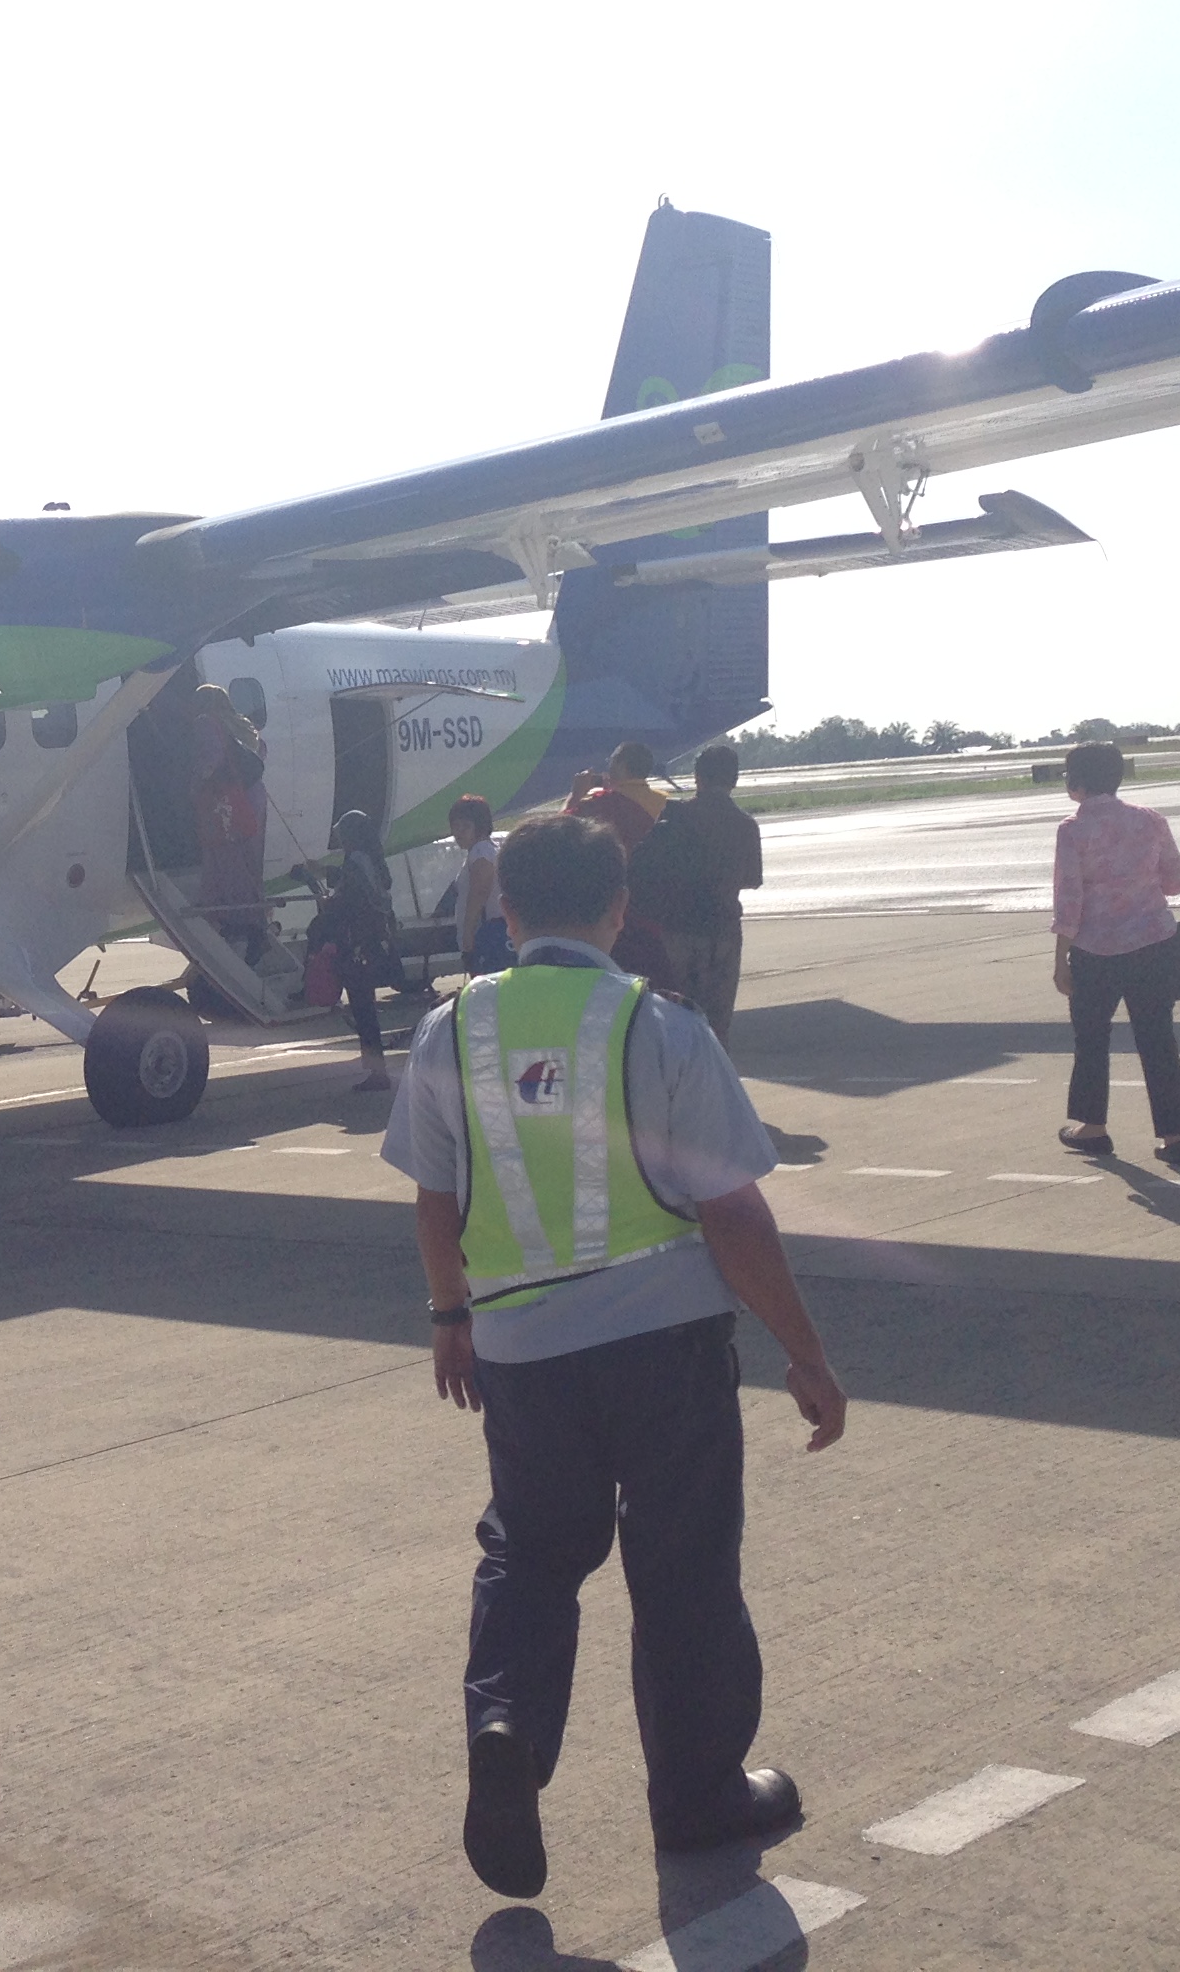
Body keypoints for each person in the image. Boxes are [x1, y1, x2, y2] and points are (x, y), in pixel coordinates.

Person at [383, 812, 848, 1896]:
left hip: (521, 1353)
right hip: (663, 1346)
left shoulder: (451, 1032)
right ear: (619, 908)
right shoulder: (660, 1025)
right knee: (684, 1568)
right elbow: (734, 1213)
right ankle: (696, 1799)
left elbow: (436, 1199)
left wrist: (450, 1316)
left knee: (532, 1554)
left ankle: (506, 1725)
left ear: (506, 911)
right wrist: (806, 1355)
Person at [1051, 738, 1180, 1169]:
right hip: (1153, 943)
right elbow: (1176, 881)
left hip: (1095, 949)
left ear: (1077, 781)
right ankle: (1173, 1137)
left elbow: (1069, 900)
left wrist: (1060, 960)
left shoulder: (1072, 830)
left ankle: (1093, 1127)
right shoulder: (1149, 819)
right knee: (1158, 1039)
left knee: (1091, 1039)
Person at [649, 745, 764, 1047]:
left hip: (679, 928)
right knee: (718, 1019)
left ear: (698, 777)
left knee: (673, 1014)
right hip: (723, 929)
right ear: (734, 779)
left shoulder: (673, 817)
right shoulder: (745, 824)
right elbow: (753, 879)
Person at [305, 808, 404, 1090]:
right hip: (373, 944)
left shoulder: (357, 861)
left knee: (364, 1010)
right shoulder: (371, 859)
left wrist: (328, 903)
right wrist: (323, 872)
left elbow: (350, 901)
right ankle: (376, 1070)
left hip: (358, 947)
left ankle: (377, 1073)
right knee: (366, 1008)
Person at [565, 741, 672, 977]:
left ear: (622, 765)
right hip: (657, 905)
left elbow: (558, 833)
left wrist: (576, 794)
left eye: (612, 761)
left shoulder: (600, 804)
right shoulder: (666, 803)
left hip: (612, 909)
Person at [188, 683, 271, 964]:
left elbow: (211, 760)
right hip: (253, 796)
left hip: (225, 799)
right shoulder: (243, 726)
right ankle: (256, 921)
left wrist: (194, 786)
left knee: (226, 856)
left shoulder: (206, 723)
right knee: (251, 860)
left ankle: (235, 920)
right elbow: (260, 754)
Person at [451, 794, 508, 974]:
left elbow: (479, 892)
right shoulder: (489, 849)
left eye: (466, 826)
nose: (459, 833)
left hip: (484, 936)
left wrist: (468, 934)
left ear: (481, 826)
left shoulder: (480, 851)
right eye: (455, 826)